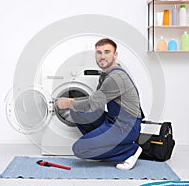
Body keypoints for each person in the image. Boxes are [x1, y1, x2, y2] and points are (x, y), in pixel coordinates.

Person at [55, 38, 145, 170]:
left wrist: (68, 102)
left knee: (80, 150)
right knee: (77, 112)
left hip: (126, 126)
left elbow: (93, 103)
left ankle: (130, 150)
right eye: (99, 52)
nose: (102, 56)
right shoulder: (106, 74)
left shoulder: (115, 77)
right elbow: (96, 103)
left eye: (107, 52)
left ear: (115, 55)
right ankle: (101, 145)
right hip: (114, 121)